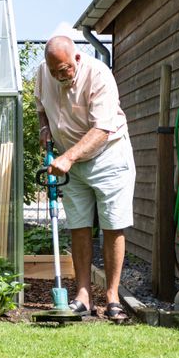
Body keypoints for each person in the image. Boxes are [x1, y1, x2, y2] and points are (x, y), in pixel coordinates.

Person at [35, 35, 135, 320]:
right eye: (54, 71)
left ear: (77, 58)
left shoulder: (100, 75)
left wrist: (67, 158)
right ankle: (83, 295)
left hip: (108, 156)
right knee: (78, 225)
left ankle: (113, 297)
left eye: (64, 69)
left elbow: (101, 130)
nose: (59, 76)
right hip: (70, 160)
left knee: (112, 225)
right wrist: (45, 129)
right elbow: (41, 106)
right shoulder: (44, 74)